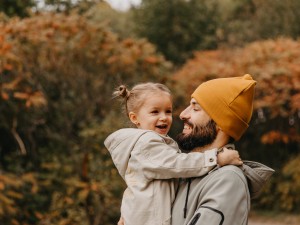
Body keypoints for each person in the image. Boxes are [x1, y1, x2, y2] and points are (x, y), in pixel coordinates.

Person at [104, 83, 242, 225]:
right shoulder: (146, 144)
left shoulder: (228, 179)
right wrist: (217, 158)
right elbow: (179, 164)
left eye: (168, 111)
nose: (165, 117)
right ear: (134, 118)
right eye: (155, 112)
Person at [171, 74, 275, 225]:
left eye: (195, 108)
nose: (183, 114)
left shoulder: (227, 180)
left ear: (221, 123)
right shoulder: (187, 171)